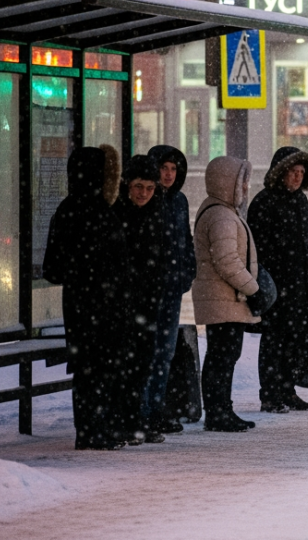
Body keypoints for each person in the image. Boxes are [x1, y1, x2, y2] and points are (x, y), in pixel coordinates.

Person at [43, 145, 129, 450]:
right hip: (96, 303)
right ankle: (95, 430)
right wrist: (96, 273)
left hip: (85, 302)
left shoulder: (72, 209)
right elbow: (56, 267)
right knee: (98, 368)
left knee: (92, 368)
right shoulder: (97, 211)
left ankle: (95, 428)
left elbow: (53, 267)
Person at [248, 147, 308, 413]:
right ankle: (270, 394)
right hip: (276, 285)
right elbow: (257, 247)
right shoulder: (265, 201)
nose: (297, 177)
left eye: (302, 173)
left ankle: (287, 390)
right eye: (293, 172)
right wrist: (270, 278)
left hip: (299, 286)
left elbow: (305, 241)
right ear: (281, 172)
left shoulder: (300, 201)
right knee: (274, 341)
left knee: (293, 339)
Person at [192, 155, 262, 432]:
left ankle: (220, 410)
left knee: (223, 356)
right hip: (224, 298)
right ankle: (218, 412)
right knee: (222, 356)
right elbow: (227, 261)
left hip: (225, 298)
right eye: (242, 182)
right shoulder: (221, 215)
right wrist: (253, 289)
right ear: (227, 183)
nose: (245, 188)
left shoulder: (221, 211)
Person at [115, 155, 170, 444]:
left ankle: (136, 420)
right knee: (127, 364)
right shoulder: (119, 215)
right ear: (127, 185)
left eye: (149, 188)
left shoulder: (156, 212)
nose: (143, 194)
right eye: (138, 186)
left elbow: (161, 256)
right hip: (123, 304)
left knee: (142, 364)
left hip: (147, 303)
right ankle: (125, 421)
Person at [146, 145, 196, 434]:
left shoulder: (180, 201)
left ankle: (157, 409)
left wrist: (187, 272)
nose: (168, 174)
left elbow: (184, 240)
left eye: (173, 169)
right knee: (149, 352)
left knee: (164, 352)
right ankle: (146, 413)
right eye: (164, 168)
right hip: (152, 289)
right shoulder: (148, 198)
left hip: (173, 288)